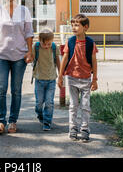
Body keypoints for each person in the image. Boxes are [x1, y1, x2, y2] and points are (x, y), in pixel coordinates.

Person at [0, 0, 34, 134]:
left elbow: (28, 32)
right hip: (1, 55)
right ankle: (1, 121)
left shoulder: (24, 10)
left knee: (16, 90)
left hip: (20, 55)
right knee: (1, 89)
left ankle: (12, 121)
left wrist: (30, 51)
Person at [58, 14, 98, 142]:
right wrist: (60, 76)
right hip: (72, 78)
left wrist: (95, 79)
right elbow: (65, 57)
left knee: (85, 106)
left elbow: (94, 60)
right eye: (73, 25)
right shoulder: (70, 41)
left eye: (77, 25)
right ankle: (73, 129)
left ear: (85, 27)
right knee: (73, 105)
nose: (74, 28)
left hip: (86, 78)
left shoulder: (90, 43)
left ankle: (85, 129)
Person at [31, 28, 60, 131]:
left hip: (51, 79)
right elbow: (31, 57)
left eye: (49, 44)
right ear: (39, 40)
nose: (47, 46)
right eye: (45, 44)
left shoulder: (54, 47)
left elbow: (57, 60)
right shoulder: (36, 47)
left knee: (49, 102)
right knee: (39, 103)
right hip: (39, 79)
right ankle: (40, 115)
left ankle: (47, 122)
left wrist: (60, 74)